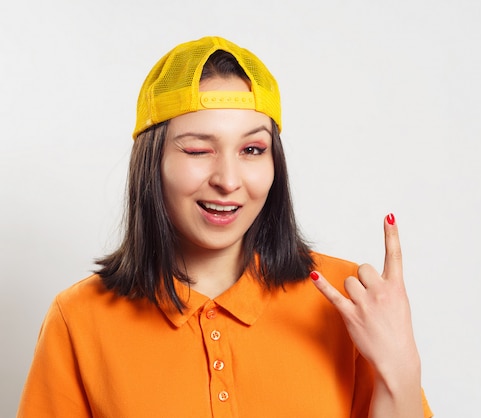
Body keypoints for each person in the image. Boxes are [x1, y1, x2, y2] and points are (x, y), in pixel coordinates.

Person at [17, 36, 433, 418]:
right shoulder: (77, 319)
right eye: (199, 149)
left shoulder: (348, 300)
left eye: (252, 149)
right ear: (152, 164)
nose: (229, 180)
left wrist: (401, 368)